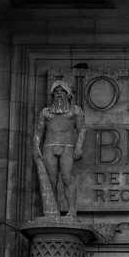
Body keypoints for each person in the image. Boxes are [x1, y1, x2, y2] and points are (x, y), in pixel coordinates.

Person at [33, 80, 86, 218]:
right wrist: (36, 147)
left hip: (67, 147)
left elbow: (82, 130)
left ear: (68, 94)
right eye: (56, 92)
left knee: (67, 178)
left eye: (62, 91)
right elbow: (39, 132)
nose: (59, 94)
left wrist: (79, 146)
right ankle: (53, 212)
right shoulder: (46, 112)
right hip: (49, 147)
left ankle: (72, 211)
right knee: (51, 180)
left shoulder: (75, 111)